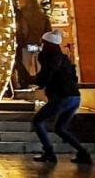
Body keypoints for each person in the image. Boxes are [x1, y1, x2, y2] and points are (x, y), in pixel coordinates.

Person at [31, 31, 91, 164]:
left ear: (47, 44)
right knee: (60, 128)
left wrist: (39, 82)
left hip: (62, 97)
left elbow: (47, 73)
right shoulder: (63, 58)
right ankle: (83, 153)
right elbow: (72, 77)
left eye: (43, 42)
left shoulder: (49, 57)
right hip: (74, 97)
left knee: (38, 121)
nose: (41, 44)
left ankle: (49, 152)